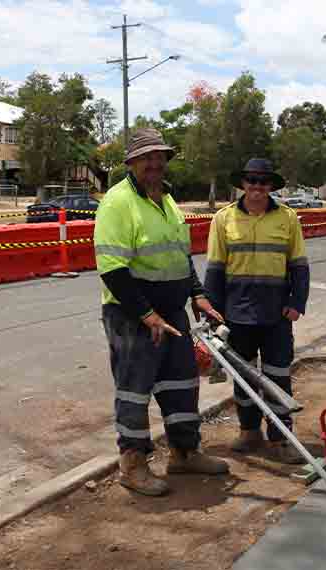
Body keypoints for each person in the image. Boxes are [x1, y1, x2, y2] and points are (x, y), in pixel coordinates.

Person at [94, 128, 229, 497]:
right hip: (132, 315)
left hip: (172, 311)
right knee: (135, 390)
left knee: (182, 384)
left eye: (159, 157)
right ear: (131, 163)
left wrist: (197, 293)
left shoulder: (167, 200)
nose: (154, 163)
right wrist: (146, 314)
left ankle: (184, 453)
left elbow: (178, 256)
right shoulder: (118, 203)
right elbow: (112, 268)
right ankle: (133, 465)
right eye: (146, 157)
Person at [205, 158, 310, 464]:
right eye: (251, 180)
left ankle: (281, 439)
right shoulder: (223, 220)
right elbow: (215, 269)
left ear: (270, 186)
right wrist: (213, 311)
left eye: (263, 182)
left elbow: (299, 266)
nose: (256, 187)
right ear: (243, 184)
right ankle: (249, 431)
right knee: (244, 378)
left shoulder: (288, 219)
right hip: (237, 315)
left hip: (276, 315)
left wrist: (297, 303)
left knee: (278, 376)